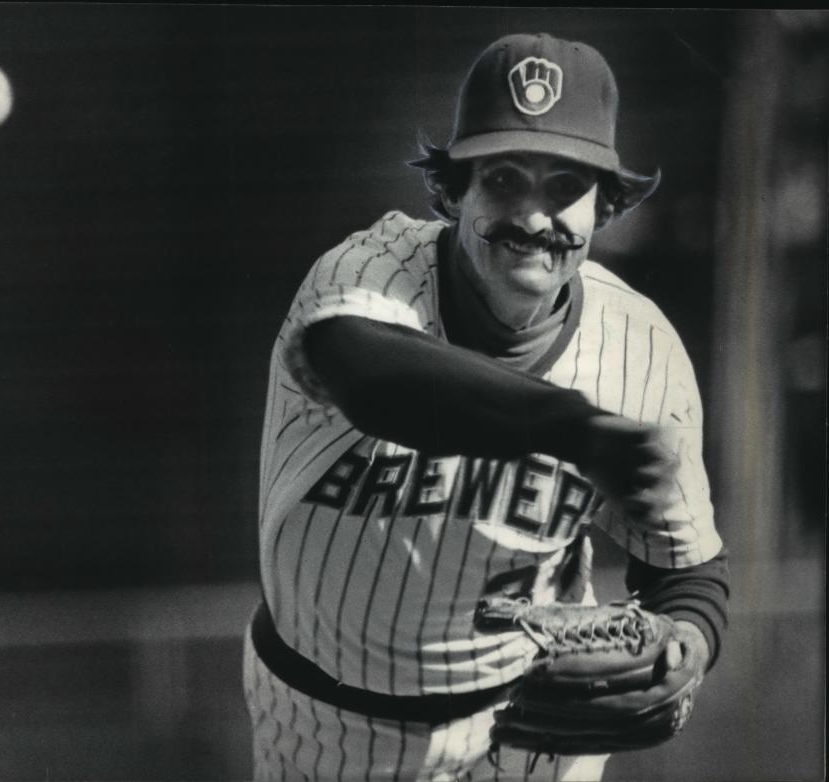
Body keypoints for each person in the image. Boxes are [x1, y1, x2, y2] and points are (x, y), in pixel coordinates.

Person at [243, 33, 730, 782]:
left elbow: (688, 574)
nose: (535, 219)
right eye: (504, 179)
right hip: (327, 727)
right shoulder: (368, 277)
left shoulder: (642, 348)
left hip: (532, 735)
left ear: (606, 208)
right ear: (449, 192)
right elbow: (374, 380)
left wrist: (686, 649)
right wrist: (573, 426)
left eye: (567, 186)